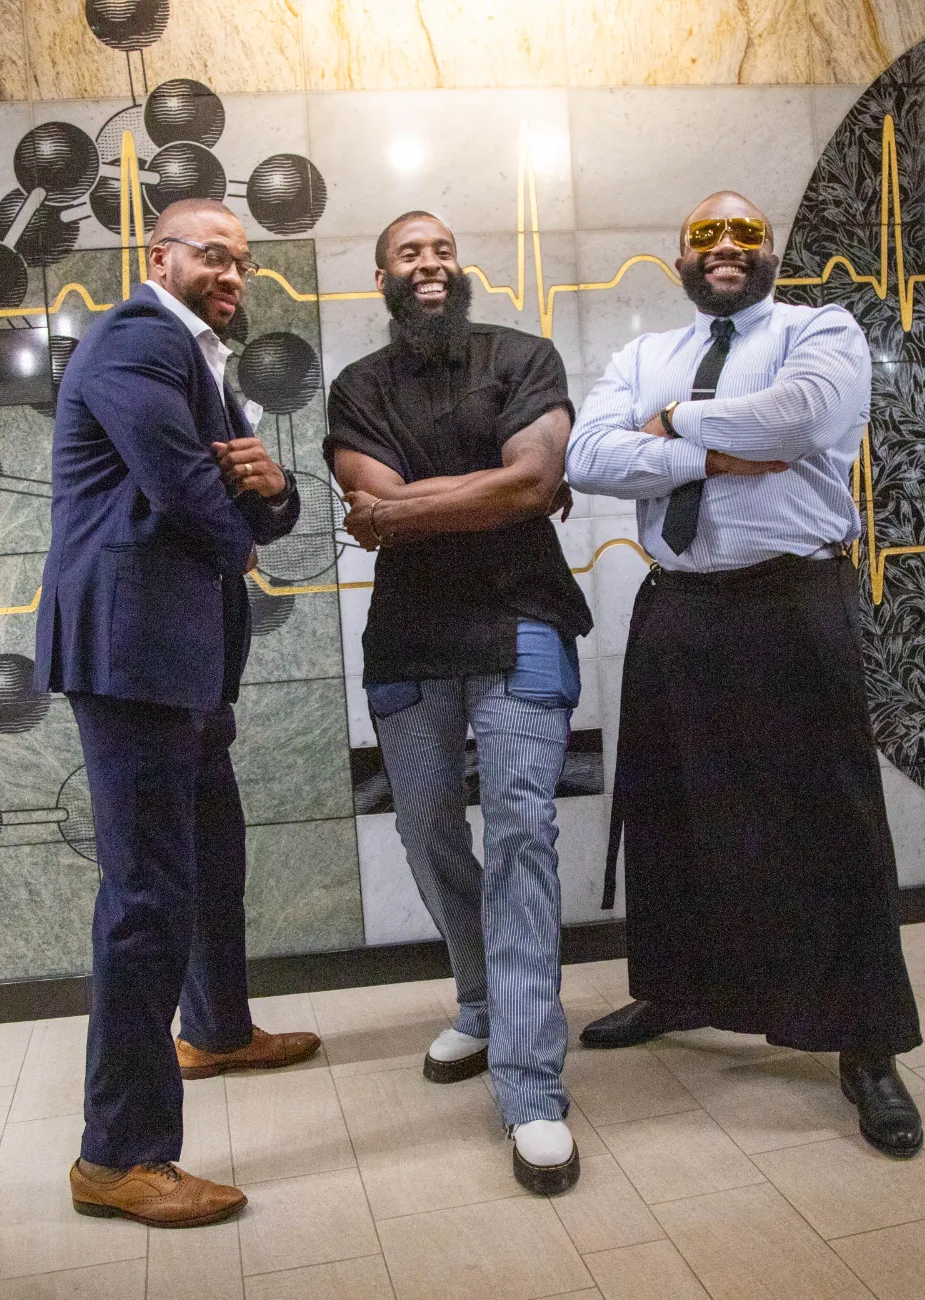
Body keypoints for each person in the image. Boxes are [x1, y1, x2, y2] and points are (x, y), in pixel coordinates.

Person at [565, 191, 925, 1159]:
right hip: (679, 605)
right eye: (705, 234)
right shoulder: (644, 353)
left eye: (745, 233)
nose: (726, 245)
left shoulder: (821, 331)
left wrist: (672, 425)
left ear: (770, 252)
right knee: (672, 811)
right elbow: (587, 456)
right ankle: (677, 988)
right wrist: (716, 459)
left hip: (791, 601)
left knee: (833, 825)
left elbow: (796, 418)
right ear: (679, 257)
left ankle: (867, 1046)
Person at [36, 198, 321, 1226]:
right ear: (159, 256)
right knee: (147, 895)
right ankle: (117, 1155)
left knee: (212, 852)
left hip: (181, 659)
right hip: (134, 655)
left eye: (244, 262)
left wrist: (272, 493)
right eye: (213, 255)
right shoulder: (138, 339)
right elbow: (188, 487)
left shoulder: (194, 359)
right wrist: (246, 531)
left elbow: (256, 492)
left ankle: (217, 1028)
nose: (233, 274)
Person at [327, 210, 593, 1194]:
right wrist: (500, 489)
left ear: (459, 266)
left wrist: (410, 506)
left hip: (523, 619)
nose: (429, 263)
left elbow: (529, 482)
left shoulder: (523, 357)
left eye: (441, 249)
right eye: (409, 252)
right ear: (384, 276)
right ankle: (482, 1002)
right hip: (409, 639)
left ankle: (530, 1084)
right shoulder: (357, 388)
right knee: (428, 831)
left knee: (522, 832)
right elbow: (401, 508)